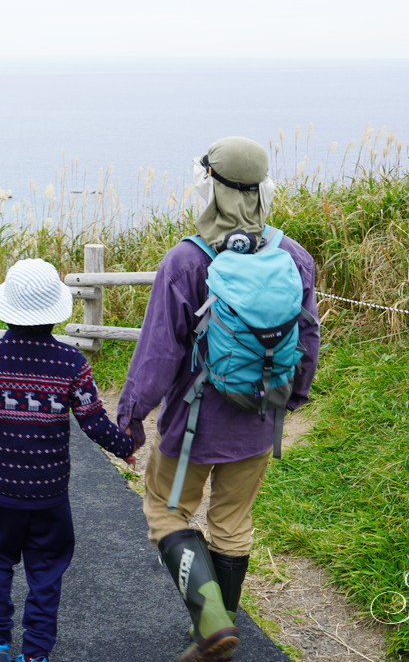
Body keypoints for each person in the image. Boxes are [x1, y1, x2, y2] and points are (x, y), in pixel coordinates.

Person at [117, 136, 320, 662]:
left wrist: (132, 414)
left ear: (209, 185)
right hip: (258, 419)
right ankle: (217, 628)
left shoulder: (187, 260)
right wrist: (290, 397)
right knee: (232, 525)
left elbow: (158, 352)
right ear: (261, 189)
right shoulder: (292, 255)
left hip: (193, 425)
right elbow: (308, 336)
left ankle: (210, 626)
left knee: (167, 514)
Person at [0, 258, 137, 662]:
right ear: (55, 312)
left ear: (9, 309)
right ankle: (35, 654)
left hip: (1, 490)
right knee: (46, 570)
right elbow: (94, 422)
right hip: (49, 493)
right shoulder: (72, 364)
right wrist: (125, 446)